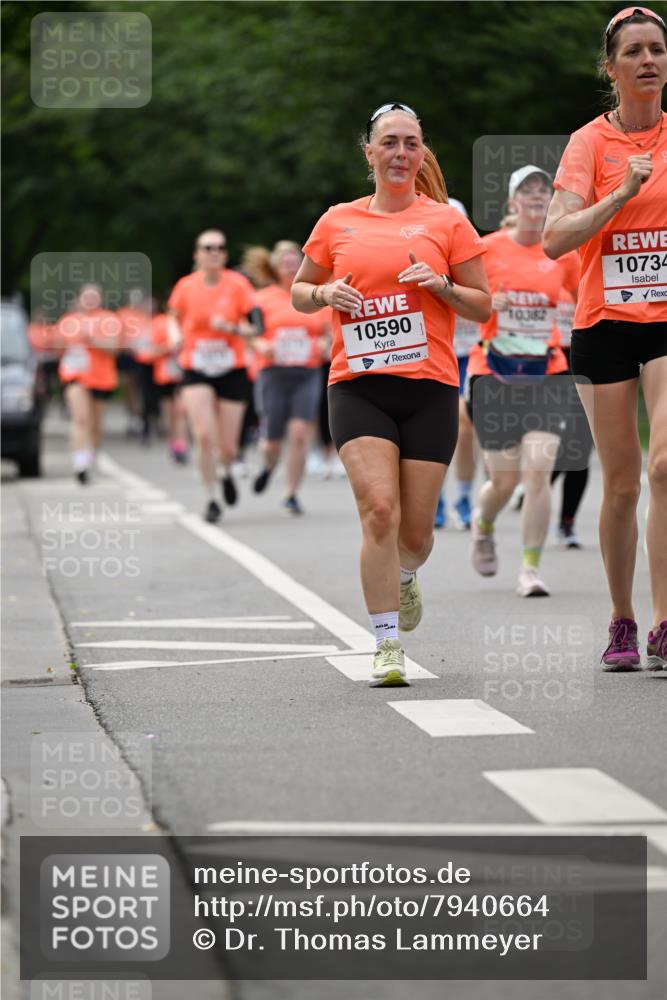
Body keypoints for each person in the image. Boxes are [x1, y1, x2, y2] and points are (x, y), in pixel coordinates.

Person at [292, 102, 490, 686]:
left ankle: (404, 575)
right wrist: (325, 293)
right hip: (358, 386)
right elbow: (300, 290)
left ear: (422, 154)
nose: (401, 153)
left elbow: (483, 304)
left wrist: (442, 286)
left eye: (411, 143)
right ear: (370, 152)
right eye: (390, 142)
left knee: (415, 536)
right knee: (379, 510)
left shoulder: (447, 223)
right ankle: (385, 645)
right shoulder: (338, 220)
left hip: (429, 387)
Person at [544, 6, 667, 670]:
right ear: (610, 68)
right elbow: (554, 238)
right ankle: (622, 618)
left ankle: (664, 621)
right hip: (603, 324)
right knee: (621, 483)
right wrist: (619, 194)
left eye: (657, 50)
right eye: (634, 52)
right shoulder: (587, 144)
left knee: (664, 467)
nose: (648, 61)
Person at [466, 165, 580, 597]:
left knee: (538, 471)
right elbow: (459, 302)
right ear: (512, 202)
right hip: (493, 374)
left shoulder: (563, 254)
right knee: (505, 481)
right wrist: (485, 304)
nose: (536, 196)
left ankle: (530, 569)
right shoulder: (486, 250)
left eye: (543, 191)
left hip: (546, 372)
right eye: (526, 190)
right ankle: (484, 522)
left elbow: (585, 300)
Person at [168, 229, 263, 523]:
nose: (214, 252)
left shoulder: (239, 285)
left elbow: (257, 328)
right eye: (208, 248)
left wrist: (231, 328)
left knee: (229, 446)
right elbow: (173, 317)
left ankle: (224, 471)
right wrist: (174, 335)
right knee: (204, 435)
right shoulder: (185, 286)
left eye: (220, 248)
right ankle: (211, 497)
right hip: (196, 366)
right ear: (197, 254)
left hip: (231, 368)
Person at [252, 241, 331, 515]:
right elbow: (251, 333)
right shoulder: (262, 299)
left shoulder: (312, 295)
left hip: (306, 373)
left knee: (299, 434)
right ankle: (269, 464)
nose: (290, 268)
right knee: (271, 441)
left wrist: (324, 344)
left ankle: (291, 494)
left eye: (295, 263)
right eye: (285, 264)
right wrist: (260, 345)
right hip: (273, 374)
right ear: (276, 267)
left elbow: (328, 333)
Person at [55, 284, 121, 483]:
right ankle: (80, 464)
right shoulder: (68, 320)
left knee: (95, 424)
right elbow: (58, 348)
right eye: (87, 296)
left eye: (94, 296)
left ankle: (92, 455)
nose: (90, 300)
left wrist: (91, 339)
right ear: (79, 298)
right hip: (76, 376)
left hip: (101, 378)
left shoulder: (109, 319)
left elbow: (114, 347)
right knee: (81, 419)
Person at [150, 306, 188, 463]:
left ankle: (182, 445)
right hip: (165, 374)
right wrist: (169, 348)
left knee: (181, 410)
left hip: (184, 373)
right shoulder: (159, 323)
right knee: (169, 411)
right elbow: (152, 350)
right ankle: (172, 442)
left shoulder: (188, 321)